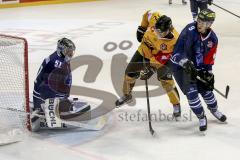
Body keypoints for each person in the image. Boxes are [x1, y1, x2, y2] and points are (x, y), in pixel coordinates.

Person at [116, 10, 181, 118]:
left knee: (165, 79)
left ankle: (176, 104)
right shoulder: (155, 18)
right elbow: (148, 14)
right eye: (155, 29)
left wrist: (151, 68)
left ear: (168, 30)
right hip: (143, 51)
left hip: (161, 58)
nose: (156, 32)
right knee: (130, 73)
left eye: (160, 32)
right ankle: (127, 95)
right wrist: (142, 28)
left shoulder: (175, 41)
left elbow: (165, 57)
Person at [170, 9, 227, 131]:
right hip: (181, 68)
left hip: (198, 68)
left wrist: (208, 74)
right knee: (192, 94)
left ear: (210, 24)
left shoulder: (213, 39)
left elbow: (209, 60)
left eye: (203, 22)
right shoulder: (189, 30)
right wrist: (185, 63)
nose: (199, 24)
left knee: (207, 91)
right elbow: (176, 53)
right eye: (199, 20)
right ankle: (201, 117)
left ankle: (214, 109)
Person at [31, 38, 90, 131]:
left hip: (45, 92)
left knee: (66, 104)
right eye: (68, 51)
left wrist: (65, 96)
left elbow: (64, 81)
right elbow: (50, 84)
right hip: (43, 94)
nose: (70, 54)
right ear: (60, 49)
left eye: (71, 52)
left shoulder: (61, 59)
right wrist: (61, 99)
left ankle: (46, 108)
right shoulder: (56, 62)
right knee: (64, 107)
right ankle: (41, 110)